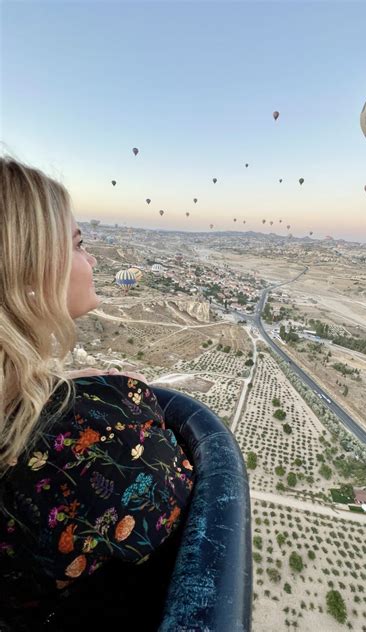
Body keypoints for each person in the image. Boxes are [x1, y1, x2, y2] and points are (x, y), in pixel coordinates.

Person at [0, 157, 195, 630]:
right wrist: (111, 397)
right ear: (31, 278)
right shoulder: (79, 434)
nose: (91, 261)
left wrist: (54, 386)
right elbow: (175, 502)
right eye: (79, 245)